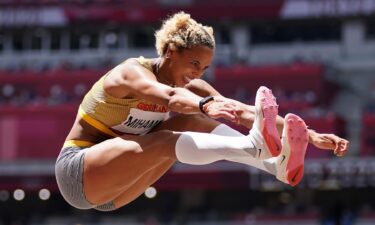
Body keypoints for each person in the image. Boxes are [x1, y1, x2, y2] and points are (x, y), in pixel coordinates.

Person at [55, 12, 349, 212]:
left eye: (204, 69)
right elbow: (169, 96)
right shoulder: (129, 74)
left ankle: (275, 168)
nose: (196, 74)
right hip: (78, 174)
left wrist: (309, 135)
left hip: (118, 189)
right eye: (194, 64)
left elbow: (243, 112)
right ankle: (255, 147)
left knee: (194, 121)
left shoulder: (191, 84)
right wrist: (205, 104)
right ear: (170, 51)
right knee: (168, 138)